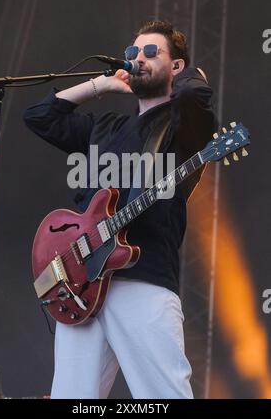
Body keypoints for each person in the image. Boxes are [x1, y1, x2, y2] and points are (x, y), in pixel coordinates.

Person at [23, 20, 216, 399]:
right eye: (132, 52)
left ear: (176, 67)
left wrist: (178, 71)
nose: (137, 59)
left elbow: (197, 95)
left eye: (150, 52)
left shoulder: (182, 126)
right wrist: (103, 85)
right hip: (82, 286)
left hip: (141, 279)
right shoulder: (105, 129)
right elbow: (39, 117)